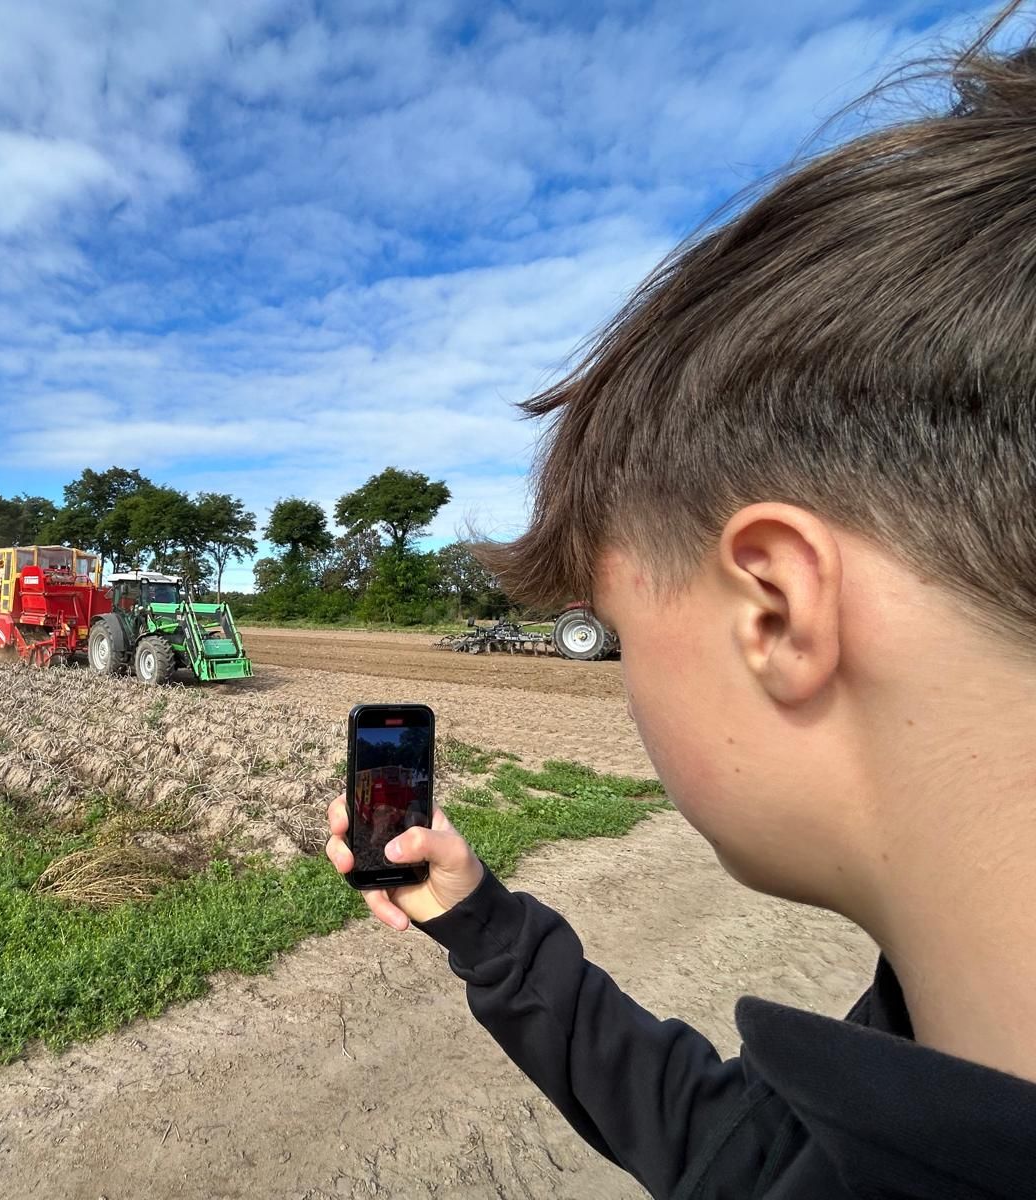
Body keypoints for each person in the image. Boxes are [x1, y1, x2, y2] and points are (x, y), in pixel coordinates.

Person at [325, 12, 1036, 1198]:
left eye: (621, 623)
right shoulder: (930, 1056)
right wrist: (484, 927)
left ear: (773, 609)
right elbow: (740, 1153)